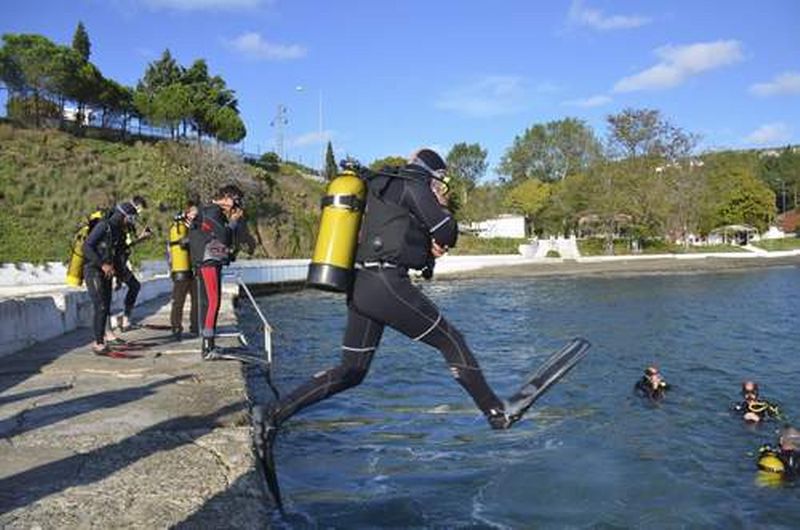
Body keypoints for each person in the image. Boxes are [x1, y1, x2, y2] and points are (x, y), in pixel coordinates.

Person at [257, 148, 557, 436]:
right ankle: (495, 411)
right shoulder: (413, 183)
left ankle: (273, 414)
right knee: (452, 340)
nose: (444, 189)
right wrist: (438, 216)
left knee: (352, 371)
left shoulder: (380, 186)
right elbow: (447, 231)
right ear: (433, 174)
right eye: (444, 182)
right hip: (385, 283)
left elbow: (397, 234)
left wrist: (426, 249)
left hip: (361, 285)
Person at [189, 184, 244, 358]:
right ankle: (207, 347)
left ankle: (209, 343)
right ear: (227, 198)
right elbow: (224, 237)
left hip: (209, 260)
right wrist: (234, 221)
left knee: (212, 301)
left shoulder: (209, 211)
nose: (236, 205)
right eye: (235, 201)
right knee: (213, 302)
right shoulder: (213, 211)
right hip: (209, 261)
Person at [83, 200, 142, 355]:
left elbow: (120, 253)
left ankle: (104, 338)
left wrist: (119, 275)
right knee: (100, 305)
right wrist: (102, 264)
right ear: (123, 215)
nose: (131, 221)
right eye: (131, 217)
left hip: (108, 272)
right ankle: (98, 343)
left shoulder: (119, 232)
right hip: (94, 270)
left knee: (106, 305)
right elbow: (87, 247)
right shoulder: (104, 226)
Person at [113, 195, 151, 332]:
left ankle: (124, 319)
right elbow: (123, 246)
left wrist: (141, 238)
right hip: (114, 262)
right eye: (139, 210)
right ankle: (122, 320)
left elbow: (128, 245)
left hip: (121, 261)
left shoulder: (128, 221)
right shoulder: (120, 219)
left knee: (134, 286)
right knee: (133, 286)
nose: (138, 214)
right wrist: (141, 239)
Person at [168, 202, 199, 341]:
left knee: (197, 301)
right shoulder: (179, 228)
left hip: (194, 269)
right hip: (182, 270)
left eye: (196, 213)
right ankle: (176, 327)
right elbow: (183, 243)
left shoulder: (194, 227)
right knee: (178, 301)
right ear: (186, 214)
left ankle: (196, 326)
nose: (195, 215)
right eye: (193, 213)